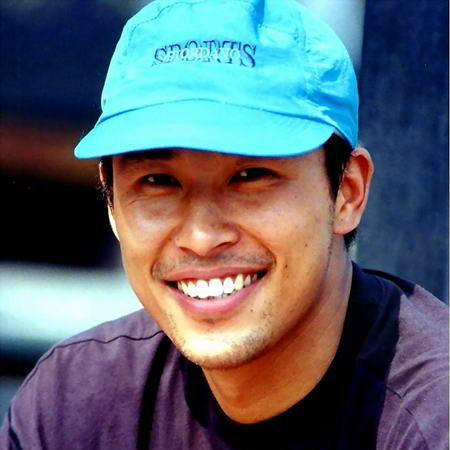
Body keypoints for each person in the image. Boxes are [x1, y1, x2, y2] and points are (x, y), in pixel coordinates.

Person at [1, 0, 448, 448]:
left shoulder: (432, 419)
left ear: (347, 192)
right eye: (158, 182)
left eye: (250, 177)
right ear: (112, 205)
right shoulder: (73, 403)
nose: (201, 237)